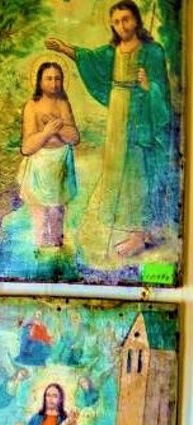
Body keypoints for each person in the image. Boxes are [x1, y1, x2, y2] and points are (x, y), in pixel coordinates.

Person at [46, 1, 175, 258]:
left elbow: (162, 92)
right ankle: (135, 229)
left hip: (140, 116)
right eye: (116, 22)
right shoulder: (111, 51)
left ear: (136, 20)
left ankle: (139, 234)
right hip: (118, 112)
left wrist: (148, 86)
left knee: (137, 169)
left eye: (126, 19)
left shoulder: (153, 51)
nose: (121, 26)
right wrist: (62, 48)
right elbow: (88, 58)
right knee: (118, 168)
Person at [19, 61, 80, 249]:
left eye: (57, 79)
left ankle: (56, 247)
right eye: (49, 78)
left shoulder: (63, 104)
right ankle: (39, 248)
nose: (54, 83)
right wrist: (46, 133)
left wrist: (58, 128)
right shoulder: (32, 106)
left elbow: (74, 138)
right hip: (40, 164)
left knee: (57, 212)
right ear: (40, 81)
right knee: (40, 213)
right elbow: (27, 148)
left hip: (60, 162)